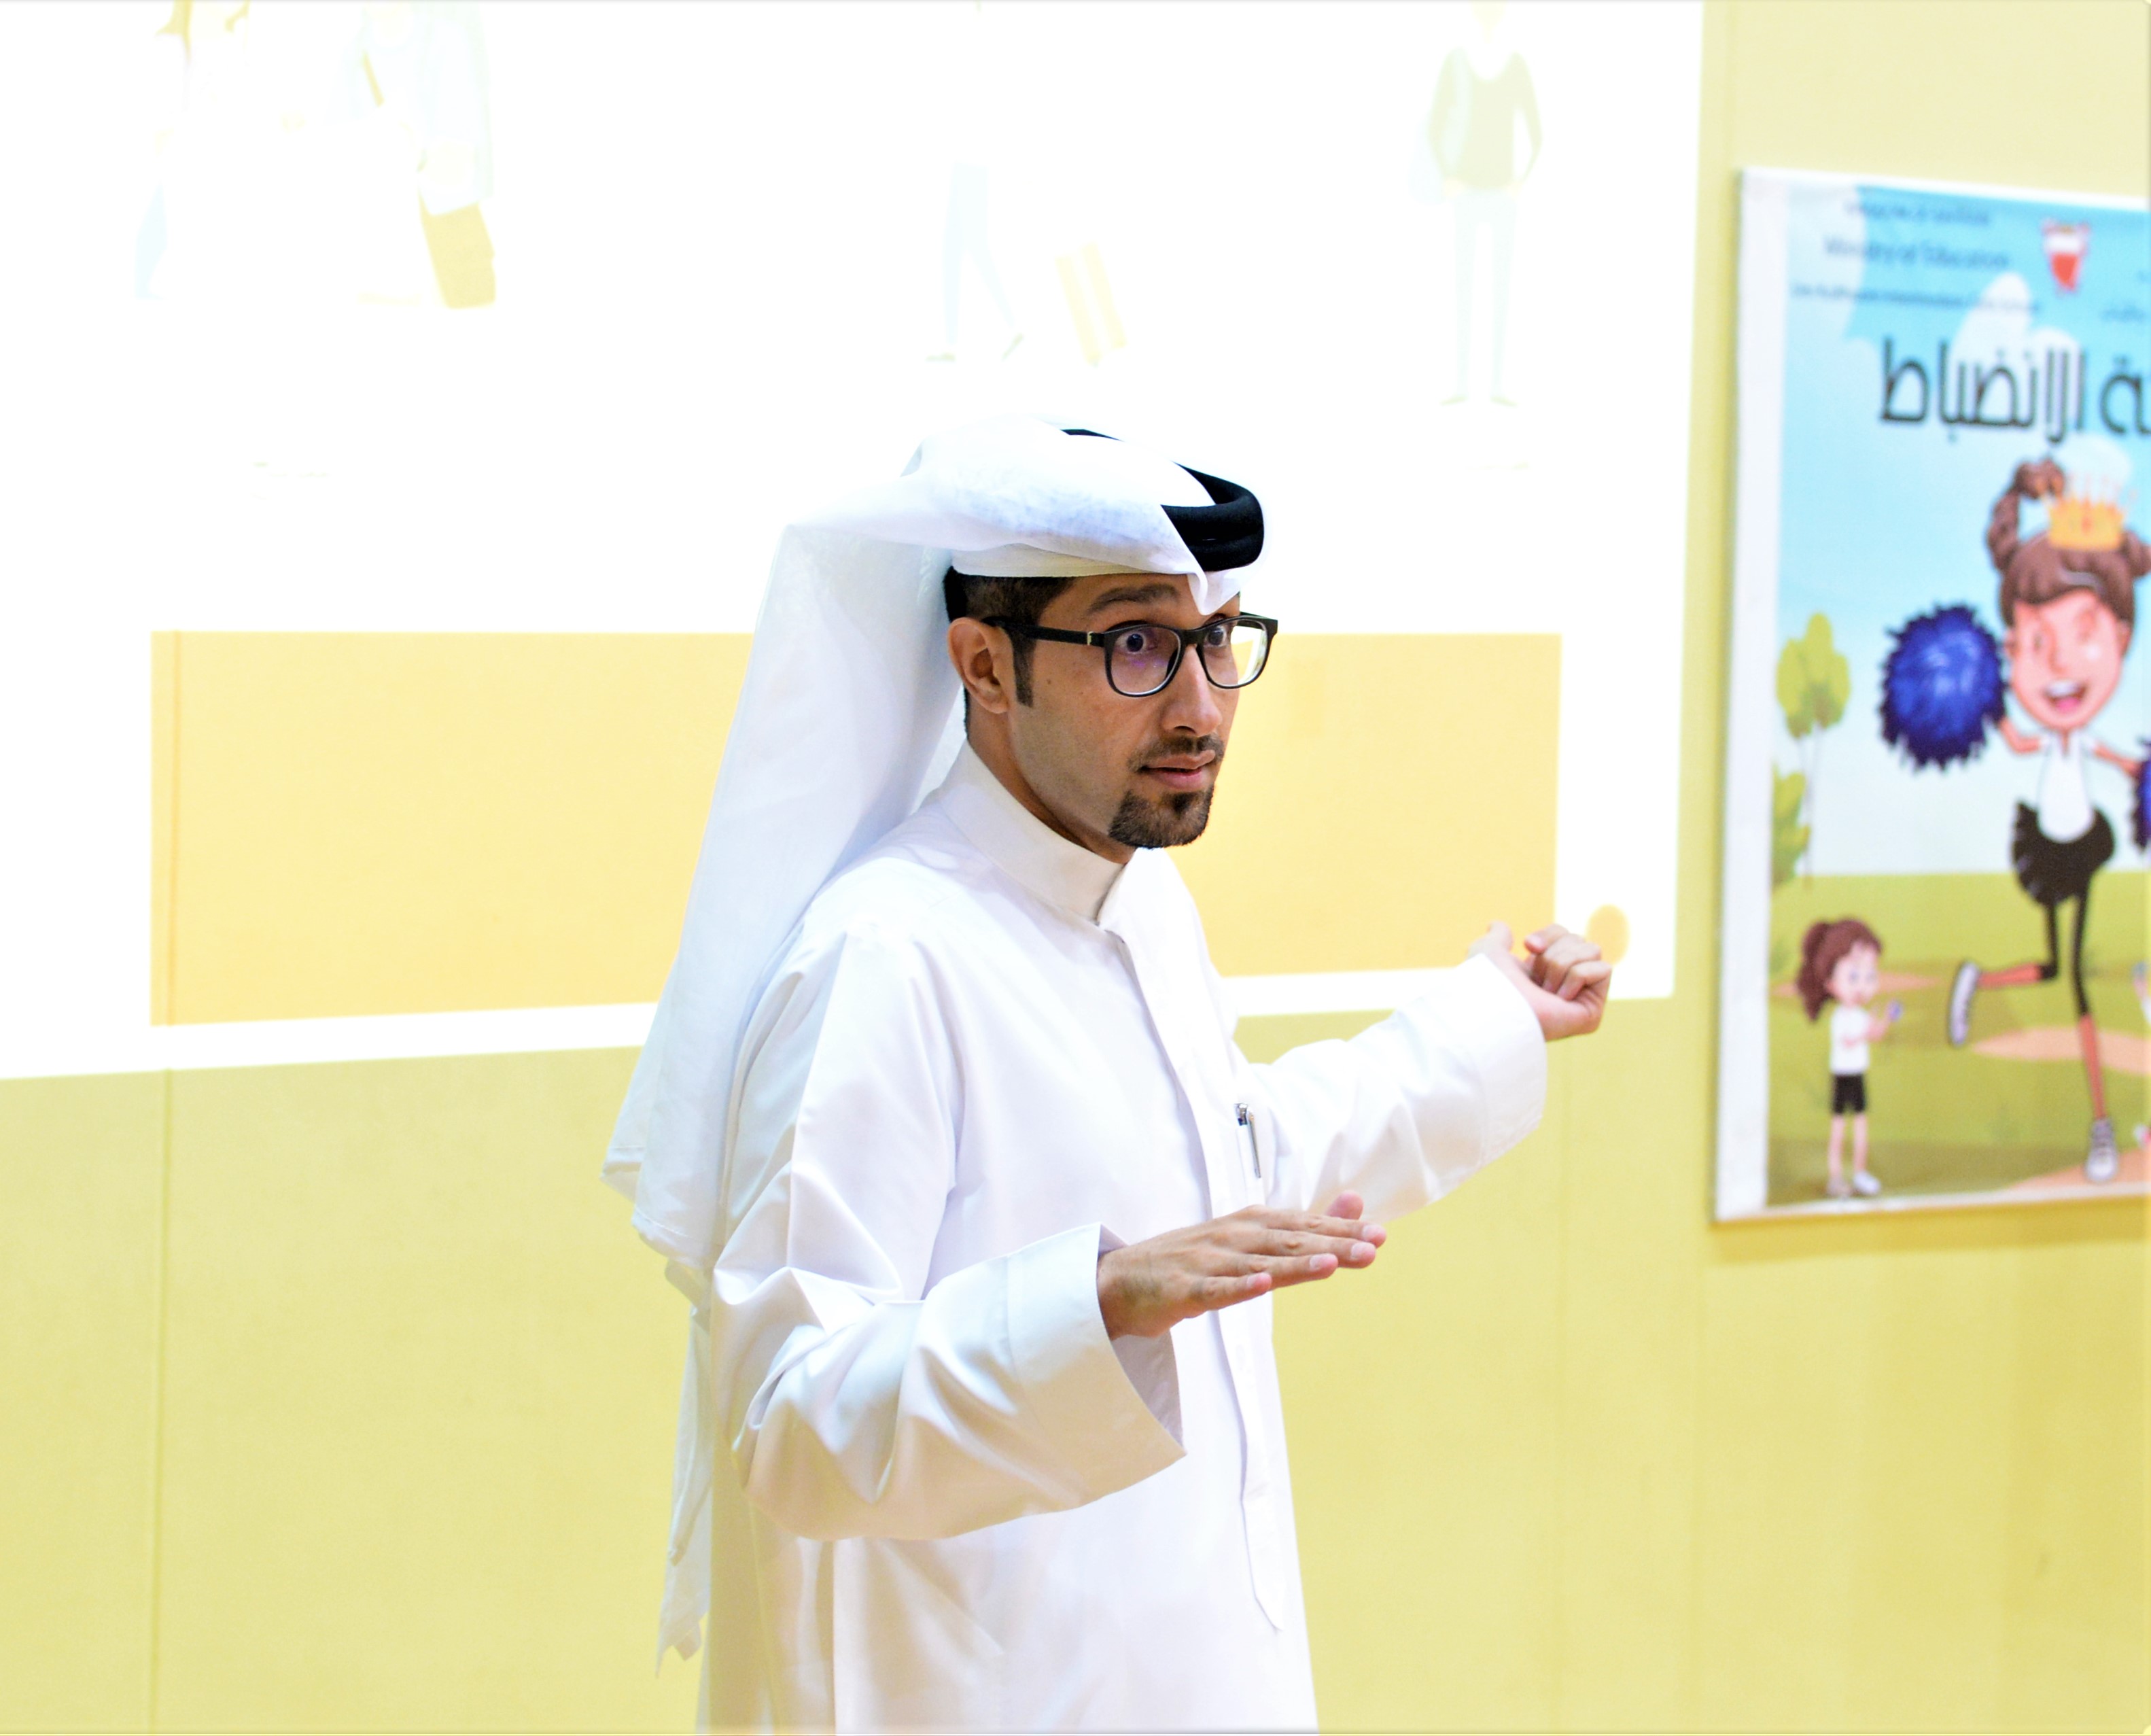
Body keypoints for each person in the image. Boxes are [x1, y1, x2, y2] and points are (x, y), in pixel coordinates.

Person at [606, 416, 1610, 1730]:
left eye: (1217, 640)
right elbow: (791, 1420)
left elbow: (1233, 1162)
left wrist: (1489, 1023)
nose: (1201, 706)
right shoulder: (884, 956)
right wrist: (1091, 1303)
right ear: (985, 663)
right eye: (1137, 645)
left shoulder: (1138, 900)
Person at [1945, 459, 2149, 1183]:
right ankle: (1982, 984)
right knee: (2062, 968)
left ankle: (2099, 1126)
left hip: (2086, 842)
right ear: (2010, 648)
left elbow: (2122, 762)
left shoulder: (2081, 739)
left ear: (2120, 636)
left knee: (2072, 974)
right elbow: (2013, 735)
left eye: (2083, 631)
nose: (2058, 661)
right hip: (2047, 845)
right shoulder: (2050, 736)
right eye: (2034, 640)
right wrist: (1974, 695)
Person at [1796, 917, 1897, 1199]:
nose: (1862, 986)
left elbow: (1874, 1035)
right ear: (1830, 982)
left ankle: (1861, 1173)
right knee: (1839, 1127)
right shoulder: (1841, 1017)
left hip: (1858, 1074)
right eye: (1853, 977)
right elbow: (1851, 1040)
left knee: (1861, 1125)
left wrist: (1885, 1020)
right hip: (1842, 1075)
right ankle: (1836, 1177)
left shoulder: (1862, 1015)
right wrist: (1867, 1030)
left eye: (1869, 976)